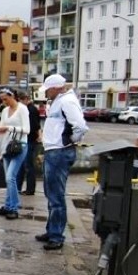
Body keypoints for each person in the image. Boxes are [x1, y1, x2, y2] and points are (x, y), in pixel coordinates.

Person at [36, 74, 88, 251]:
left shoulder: (67, 102)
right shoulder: (59, 101)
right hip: (53, 151)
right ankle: (52, 231)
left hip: (59, 152)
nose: (46, 93)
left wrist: (69, 141)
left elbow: (80, 126)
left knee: (56, 196)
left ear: (56, 88)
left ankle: (57, 235)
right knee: (51, 194)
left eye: (48, 90)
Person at [0, 88, 29, 220]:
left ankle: (14, 207)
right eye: (2, 100)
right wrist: (0, 132)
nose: (4, 102)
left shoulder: (23, 109)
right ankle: (8, 205)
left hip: (20, 146)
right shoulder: (4, 111)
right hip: (8, 146)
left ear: (12, 96)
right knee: (9, 179)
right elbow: (2, 126)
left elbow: (27, 129)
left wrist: (9, 128)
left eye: (5, 99)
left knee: (10, 177)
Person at [17, 90, 41, 195]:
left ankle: (30, 189)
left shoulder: (30, 110)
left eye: (21, 101)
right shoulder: (29, 109)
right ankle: (19, 187)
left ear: (25, 99)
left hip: (29, 140)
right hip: (27, 140)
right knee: (23, 165)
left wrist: (39, 136)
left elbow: (35, 126)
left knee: (28, 165)